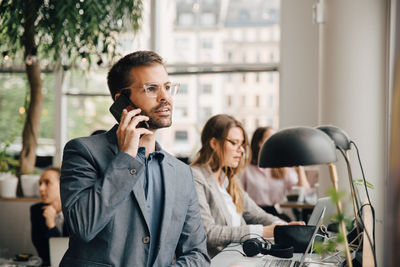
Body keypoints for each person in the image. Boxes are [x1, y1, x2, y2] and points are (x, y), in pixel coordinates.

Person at [60, 51, 210, 267]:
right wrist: (125, 158)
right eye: (151, 89)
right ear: (123, 102)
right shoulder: (83, 152)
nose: (165, 97)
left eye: (167, 87)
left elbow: (197, 253)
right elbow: (84, 226)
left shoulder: (181, 172)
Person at [190, 114, 304, 258]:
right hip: (217, 260)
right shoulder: (196, 177)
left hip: (239, 256)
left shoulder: (228, 178)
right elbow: (209, 232)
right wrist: (265, 231)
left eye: (242, 144)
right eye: (234, 143)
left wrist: (284, 227)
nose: (241, 150)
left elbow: (255, 213)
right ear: (214, 143)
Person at [241, 126, 311, 221]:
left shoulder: (282, 168)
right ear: (259, 143)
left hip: (273, 212)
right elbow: (238, 195)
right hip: (251, 213)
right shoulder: (246, 168)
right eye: (270, 139)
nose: (274, 143)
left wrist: (300, 168)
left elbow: (305, 192)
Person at [30, 167, 68, 266]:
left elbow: (66, 254)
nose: (41, 188)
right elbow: (44, 254)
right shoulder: (37, 211)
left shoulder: (74, 211)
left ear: (62, 185)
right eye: (40, 183)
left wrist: (51, 225)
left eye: (47, 183)